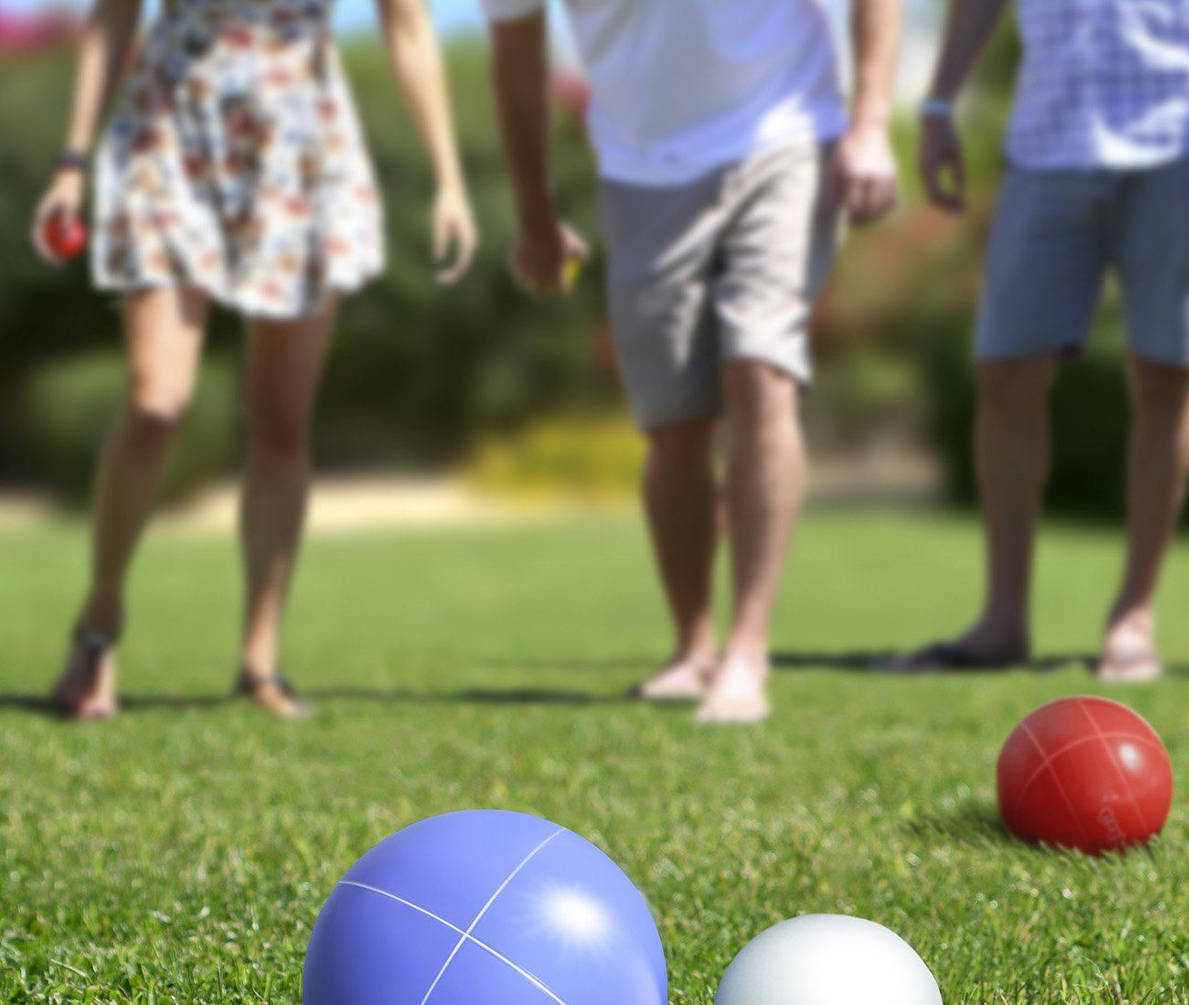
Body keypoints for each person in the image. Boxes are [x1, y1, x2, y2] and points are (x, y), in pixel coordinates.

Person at [35, 0, 477, 721]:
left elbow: (408, 24)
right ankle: (99, 622)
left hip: (300, 144)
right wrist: (71, 161)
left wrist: (450, 178)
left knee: (279, 424)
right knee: (156, 403)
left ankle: (259, 662)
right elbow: (114, 15)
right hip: (169, 132)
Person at [483, 0, 903, 726]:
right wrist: (534, 216)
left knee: (760, 373)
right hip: (643, 166)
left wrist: (870, 125)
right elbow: (518, 58)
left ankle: (748, 648)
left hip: (786, 129)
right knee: (673, 422)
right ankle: (692, 647)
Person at [899, 0, 1189, 683]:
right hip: (1050, 134)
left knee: (1166, 372)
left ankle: (1134, 617)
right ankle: (1001, 621)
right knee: (1005, 372)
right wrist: (937, 107)